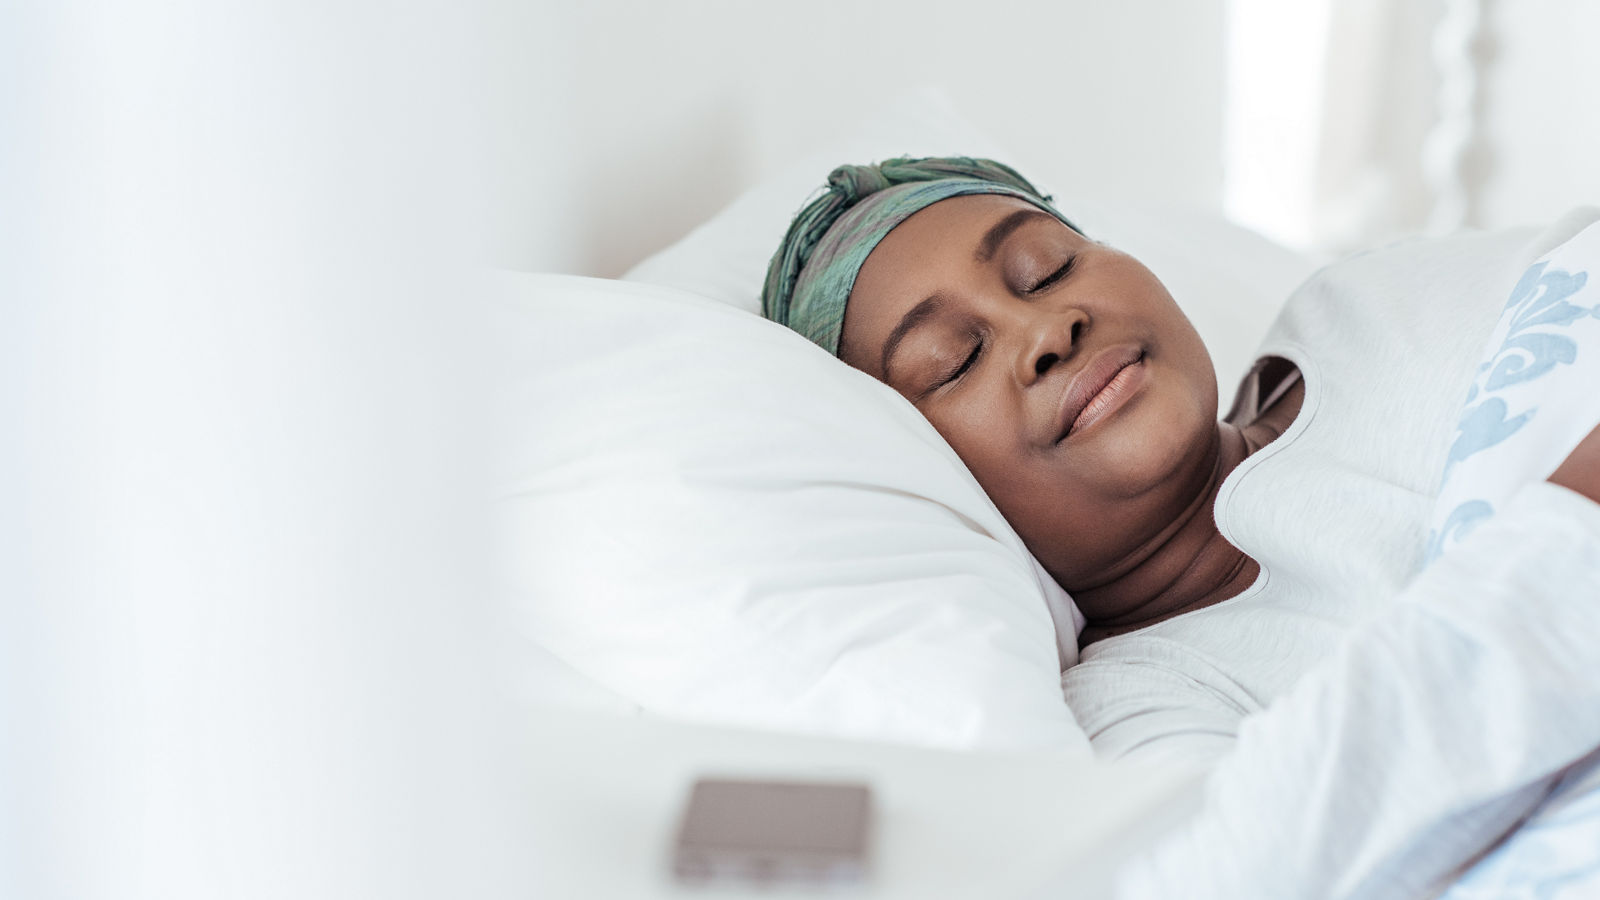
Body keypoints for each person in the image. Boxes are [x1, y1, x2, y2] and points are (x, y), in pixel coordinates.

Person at [760, 156, 1600, 897]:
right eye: (954, 360)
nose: (1047, 330)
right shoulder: (1139, 708)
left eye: (1046, 267)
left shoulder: (1367, 307)